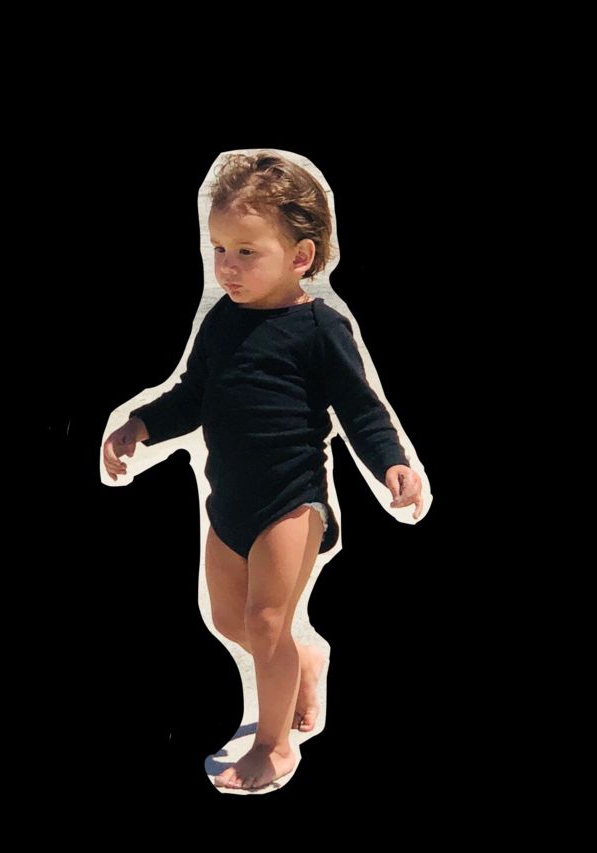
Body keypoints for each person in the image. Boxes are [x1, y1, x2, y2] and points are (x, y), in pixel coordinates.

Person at [102, 150, 426, 791]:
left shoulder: (319, 330)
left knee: (266, 622)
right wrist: (139, 425)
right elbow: (192, 396)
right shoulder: (221, 322)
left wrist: (392, 462)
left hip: (292, 499)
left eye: (246, 252)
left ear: (301, 257)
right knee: (228, 620)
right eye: (220, 249)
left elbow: (362, 410)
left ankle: (274, 747)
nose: (226, 266)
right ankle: (304, 661)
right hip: (229, 501)